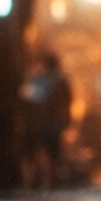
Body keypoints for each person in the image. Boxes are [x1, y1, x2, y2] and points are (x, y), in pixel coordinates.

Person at [20, 48, 72, 190]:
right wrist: (67, 119)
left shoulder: (36, 80)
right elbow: (67, 101)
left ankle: (34, 180)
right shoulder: (61, 80)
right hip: (53, 123)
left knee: (36, 151)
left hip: (38, 122)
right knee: (52, 152)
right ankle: (51, 181)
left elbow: (27, 99)